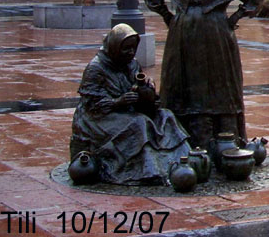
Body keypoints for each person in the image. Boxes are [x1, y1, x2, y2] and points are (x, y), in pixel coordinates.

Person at [143, 0, 263, 148]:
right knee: (180, 82)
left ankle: (223, 138)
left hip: (215, 33)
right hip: (182, 34)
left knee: (218, 84)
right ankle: (178, 138)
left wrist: (235, 17)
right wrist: (168, 16)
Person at [70, 24, 191, 185]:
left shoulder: (131, 64)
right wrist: (117, 102)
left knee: (165, 115)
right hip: (97, 117)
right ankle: (149, 170)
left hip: (128, 110)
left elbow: (140, 89)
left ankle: (184, 162)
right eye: (126, 49)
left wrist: (147, 90)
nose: (131, 53)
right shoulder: (96, 68)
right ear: (114, 47)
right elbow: (91, 105)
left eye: (133, 48)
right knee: (139, 123)